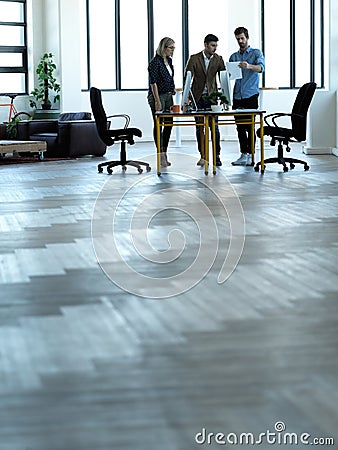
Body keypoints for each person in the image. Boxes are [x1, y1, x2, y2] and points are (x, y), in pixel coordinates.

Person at [184, 34, 225, 166]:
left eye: (216, 45)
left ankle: (216, 156)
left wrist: (225, 99)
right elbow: (187, 79)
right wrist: (187, 99)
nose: (215, 48)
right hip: (198, 98)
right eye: (213, 45)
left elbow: (223, 79)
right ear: (206, 45)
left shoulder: (219, 59)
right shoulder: (194, 58)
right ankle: (203, 156)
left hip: (212, 98)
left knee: (215, 128)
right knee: (199, 128)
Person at [229, 26, 265, 166]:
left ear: (247, 37)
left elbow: (261, 68)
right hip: (237, 95)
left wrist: (249, 66)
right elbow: (229, 75)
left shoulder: (256, 53)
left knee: (250, 126)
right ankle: (243, 154)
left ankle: (251, 155)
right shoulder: (234, 56)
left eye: (242, 38)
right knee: (239, 126)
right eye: (238, 39)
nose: (240, 41)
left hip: (250, 95)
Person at [148, 37, 176, 167]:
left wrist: (172, 88)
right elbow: (153, 82)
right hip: (157, 96)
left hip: (168, 95)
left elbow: (169, 77)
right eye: (171, 48)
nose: (173, 50)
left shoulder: (169, 61)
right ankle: (160, 155)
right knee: (159, 124)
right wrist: (157, 101)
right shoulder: (155, 62)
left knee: (169, 124)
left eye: (173, 48)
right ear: (164, 48)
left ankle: (165, 152)